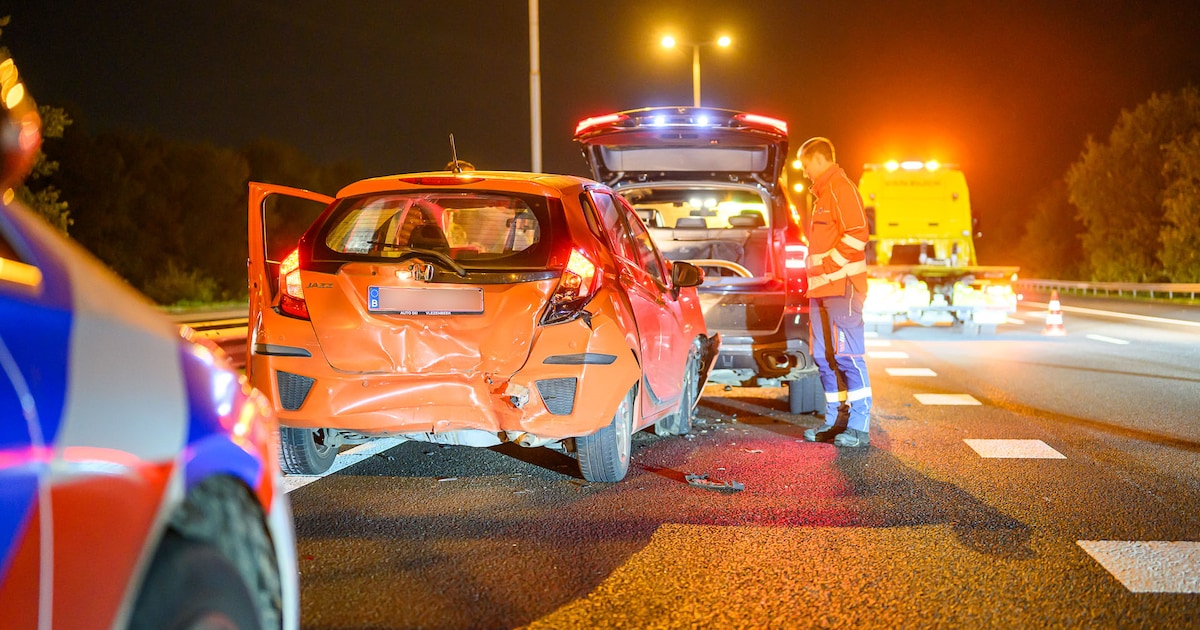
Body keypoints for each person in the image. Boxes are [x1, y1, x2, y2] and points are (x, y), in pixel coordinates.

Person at [797, 137, 872, 448]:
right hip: (822, 291)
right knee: (823, 357)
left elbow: (858, 234)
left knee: (847, 356)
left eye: (804, 165)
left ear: (817, 160)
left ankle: (859, 424)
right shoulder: (822, 195)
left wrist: (827, 264)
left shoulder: (841, 188)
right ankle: (834, 420)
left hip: (843, 289)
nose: (804, 173)